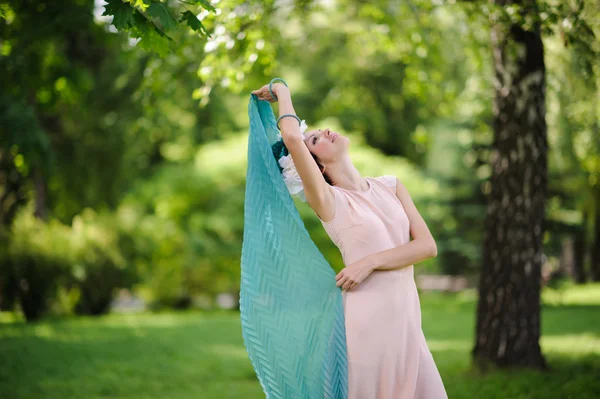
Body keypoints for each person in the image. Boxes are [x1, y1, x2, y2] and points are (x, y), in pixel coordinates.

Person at [251, 81, 449, 399]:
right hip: (367, 320)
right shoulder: (328, 200)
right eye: (314, 139)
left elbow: (427, 247)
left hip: (406, 319)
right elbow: (291, 137)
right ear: (316, 166)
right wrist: (281, 89)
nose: (325, 131)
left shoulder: (391, 185)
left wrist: (368, 263)